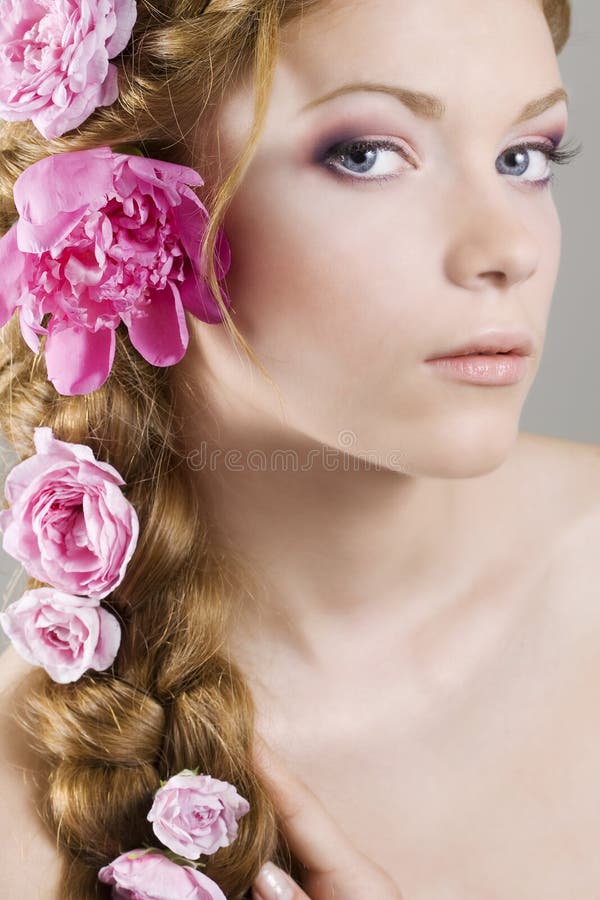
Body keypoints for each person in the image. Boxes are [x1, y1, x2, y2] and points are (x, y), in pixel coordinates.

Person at [0, 0, 597, 897]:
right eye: (365, 154)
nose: (508, 248)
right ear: (123, 205)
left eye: (525, 157)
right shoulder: (24, 803)